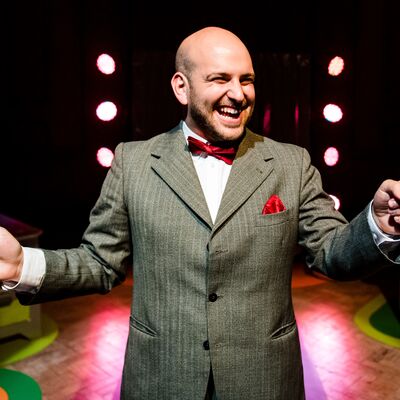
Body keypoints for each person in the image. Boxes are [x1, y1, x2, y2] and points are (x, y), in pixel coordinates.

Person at [0, 26, 400, 400]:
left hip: (263, 379)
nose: (238, 93)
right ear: (181, 87)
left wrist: (377, 227)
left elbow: (331, 251)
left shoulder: (290, 164)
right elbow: (100, 263)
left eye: (246, 80)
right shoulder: (133, 163)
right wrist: (23, 265)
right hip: (161, 377)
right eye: (219, 79)